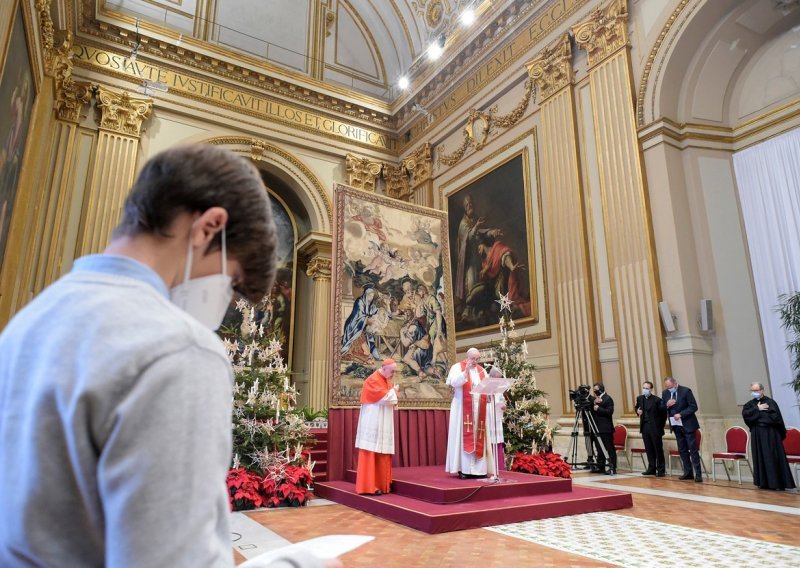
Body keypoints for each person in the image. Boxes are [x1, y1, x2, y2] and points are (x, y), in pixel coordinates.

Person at [0, 145, 278, 566]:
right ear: (209, 227)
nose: (225, 302)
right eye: (231, 281)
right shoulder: (179, 349)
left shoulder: (28, 320)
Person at [445, 347, 496, 479]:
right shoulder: (457, 367)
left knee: (478, 437)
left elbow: (485, 388)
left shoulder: (481, 371)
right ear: (467, 357)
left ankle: (480, 470)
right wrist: (466, 371)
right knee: (464, 436)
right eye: (473, 359)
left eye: (477, 359)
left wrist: (489, 396)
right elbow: (453, 383)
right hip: (462, 409)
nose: (475, 361)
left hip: (479, 410)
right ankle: (464, 469)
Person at [354, 359, 399, 495]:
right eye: (392, 371)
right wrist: (395, 391)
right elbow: (384, 398)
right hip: (372, 421)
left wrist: (393, 392)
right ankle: (369, 486)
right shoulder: (373, 379)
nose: (393, 374)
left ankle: (381, 484)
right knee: (371, 450)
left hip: (382, 421)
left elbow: (388, 396)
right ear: (384, 368)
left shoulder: (385, 379)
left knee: (381, 451)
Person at [742, 382, 797, 491]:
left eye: (756, 390)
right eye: (753, 391)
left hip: (770, 434)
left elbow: (774, 418)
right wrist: (758, 410)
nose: (755, 393)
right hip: (757, 434)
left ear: (762, 390)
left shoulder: (770, 403)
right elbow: (746, 416)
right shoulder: (749, 404)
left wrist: (757, 416)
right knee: (760, 456)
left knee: (772, 457)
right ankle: (764, 483)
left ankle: (777, 483)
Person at [662, 376, 703, 482]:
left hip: (688, 424)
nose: (669, 389)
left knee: (693, 450)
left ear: (675, 384)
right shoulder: (665, 393)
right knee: (682, 450)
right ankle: (688, 472)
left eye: (670, 387)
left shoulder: (686, 391)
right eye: (667, 387)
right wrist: (666, 405)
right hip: (676, 425)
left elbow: (693, 407)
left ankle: (698, 474)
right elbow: (662, 407)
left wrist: (681, 414)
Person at [635, 380, 667, 477]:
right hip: (644, 426)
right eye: (644, 388)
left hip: (655, 428)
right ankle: (651, 468)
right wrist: (637, 411)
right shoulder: (640, 398)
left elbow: (663, 415)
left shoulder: (657, 400)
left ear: (651, 389)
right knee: (648, 448)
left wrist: (659, 427)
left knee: (657, 448)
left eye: (647, 388)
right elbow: (637, 408)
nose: (645, 390)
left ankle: (661, 469)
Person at [589, 383, 616, 475]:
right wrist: (594, 404)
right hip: (597, 428)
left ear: (600, 389)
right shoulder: (595, 399)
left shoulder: (608, 398)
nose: (595, 391)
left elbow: (610, 412)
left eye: (596, 389)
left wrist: (598, 408)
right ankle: (601, 467)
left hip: (606, 428)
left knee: (609, 448)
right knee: (599, 449)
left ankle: (612, 467)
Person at [487, 366, 507, 472]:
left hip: (497, 417)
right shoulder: (485, 386)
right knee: (489, 440)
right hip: (488, 416)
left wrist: (504, 406)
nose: (498, 381)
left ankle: (499, 467)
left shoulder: (499, 387)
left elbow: (502, 399)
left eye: (499, 378)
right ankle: (490, 468)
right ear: (491, 376)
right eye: (497, 378)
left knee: (498, 441)